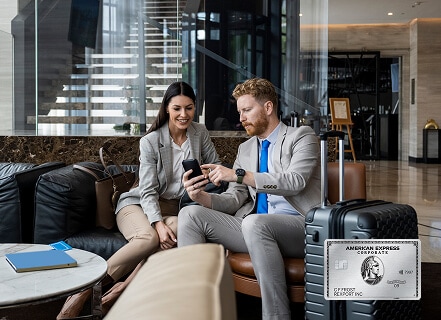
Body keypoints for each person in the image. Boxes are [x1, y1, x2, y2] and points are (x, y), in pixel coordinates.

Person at [57, 81, 221, 319]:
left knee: (181, 230)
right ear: (166, 108)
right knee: (149, 238)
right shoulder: (151, 141)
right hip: (137, 204)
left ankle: (120, 290)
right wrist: (158, 223)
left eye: (189, 108)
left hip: (175, 209)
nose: (183, 115)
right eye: (177, 108)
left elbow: (216, 167)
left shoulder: (199, 133)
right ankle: (82, 292)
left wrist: (207, 174)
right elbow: (147, 191)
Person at [178, 77, 321, 320]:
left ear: (268, 107)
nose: (241, 117)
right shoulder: (245, 149)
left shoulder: (301, 136)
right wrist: (201, 197)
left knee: (255, 223)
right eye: (239, 111)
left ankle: (276, 316)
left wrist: (238, 175)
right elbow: (235, 199)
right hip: (256, 230)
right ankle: (195, 312)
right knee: (189, 214)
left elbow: (295, 181)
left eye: (247, 110)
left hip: (301, 228)